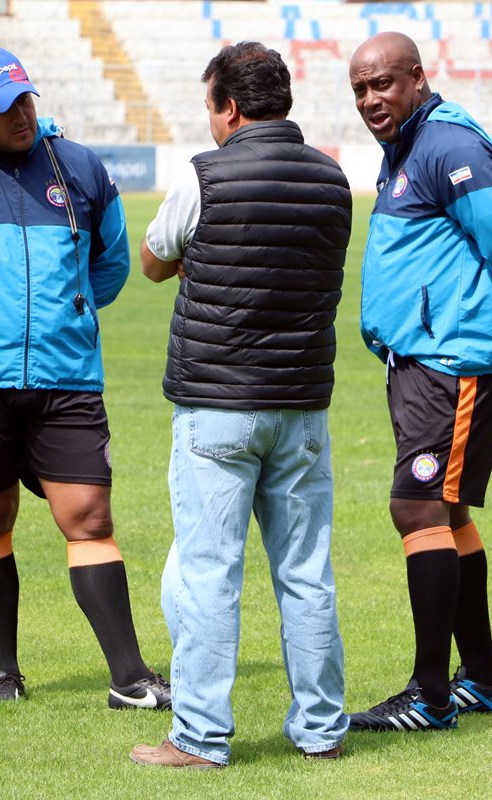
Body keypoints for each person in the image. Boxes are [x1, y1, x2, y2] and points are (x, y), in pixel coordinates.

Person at [0, 28, 169, 711]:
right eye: (0, 106)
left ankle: (130, 678)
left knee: (90, 517)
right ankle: (4, 675)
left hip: (65, 377)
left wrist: (65, 312)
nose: (19, 114)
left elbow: (109, 262)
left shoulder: (78, 165)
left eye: (24, 98)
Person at [128, 41, 352, 768]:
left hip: (219, 402)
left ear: (229, 107)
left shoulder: (206, 174)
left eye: (210, 107)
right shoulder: (334, 179)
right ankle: (322, 729)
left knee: (209, 572)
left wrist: (200, 259)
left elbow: (153, 260)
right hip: (303, 404)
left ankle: (199, 736)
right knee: (307, 573)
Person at [345, 32, 492, 732]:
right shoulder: (407, 147)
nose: (371, 99)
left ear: (417, 77)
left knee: (417, 508)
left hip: (452, 359)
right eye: (360, 89)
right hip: (423, 357)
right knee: (447, 511)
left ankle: (429, 696)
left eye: (383, 83)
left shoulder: (447, 144)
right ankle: (482, 681)